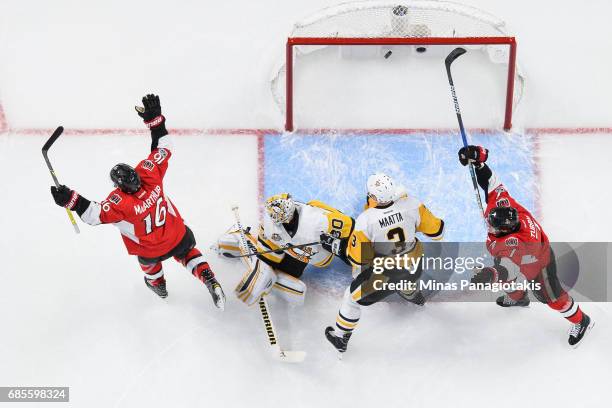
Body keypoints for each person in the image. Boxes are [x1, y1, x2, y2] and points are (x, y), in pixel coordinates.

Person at [50, 94, 225, 309]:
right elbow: (164, 147)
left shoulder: (120, 202)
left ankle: (158, 286)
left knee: (147, 263)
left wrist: (70, 199)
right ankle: (208, 277)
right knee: (186, 251)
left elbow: (93, 215)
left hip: (151, 250)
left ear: (119, 187)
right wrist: (155, 121)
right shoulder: (149, 173)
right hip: (176, 233)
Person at [459, 145, 593, 347]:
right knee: (509, 284)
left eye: (492, 227)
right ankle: (519, 298)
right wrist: (477, 158)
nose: (488, 225)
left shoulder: (519, 246)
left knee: (550, 296)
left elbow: (509, 269)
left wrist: (490, 274)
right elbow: (491, 182)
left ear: (506, 231)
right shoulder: (503, 205)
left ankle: (581, 321)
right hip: (512, 257)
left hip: (537, 263)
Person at [324, 173, 445, 354]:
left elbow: (358, 259)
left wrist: (339, 245)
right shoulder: (412, 204)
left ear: (373, 197)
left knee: (351, 298)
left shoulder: (365, 221)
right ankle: (412, 295)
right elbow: (438, 232)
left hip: (388, 275)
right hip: (415, 264)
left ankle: (341, 336)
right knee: (407, 270)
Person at [215, 193, 354, 306]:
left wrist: (342, 248)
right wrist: (260, 276)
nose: (286, 221)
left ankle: (242, 239)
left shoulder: (319, 221)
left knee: (351, 257)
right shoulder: (271, 225)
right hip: (296, 252)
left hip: (314, 254)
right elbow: (267, 257)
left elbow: (352, 227)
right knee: (272, 269)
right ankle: (242, 239)